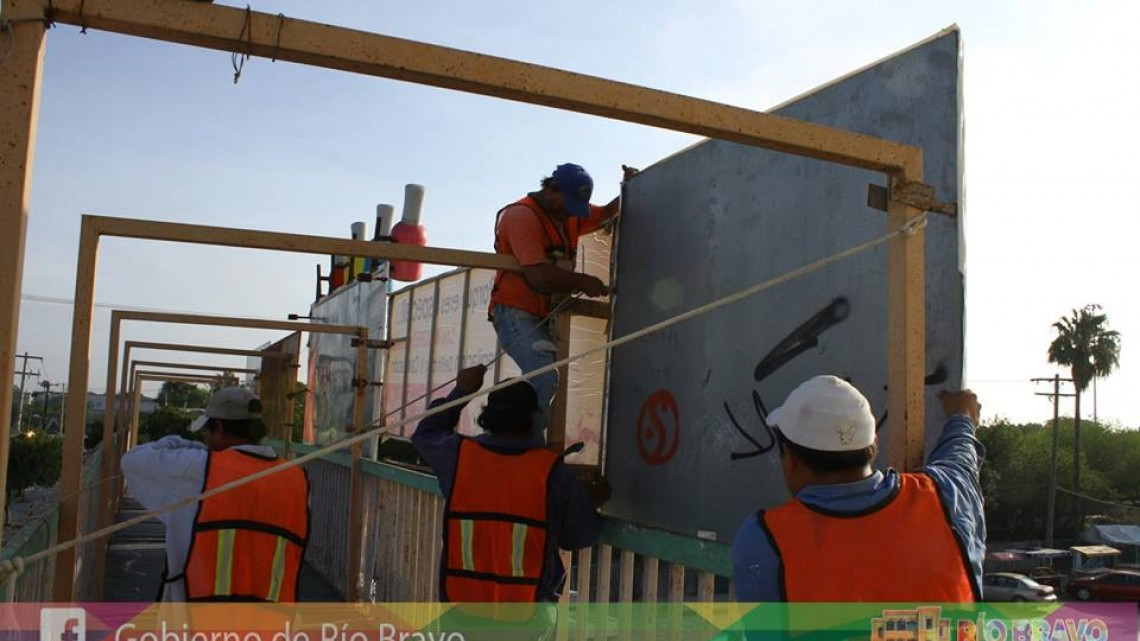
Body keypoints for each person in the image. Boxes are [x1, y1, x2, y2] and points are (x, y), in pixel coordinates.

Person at [732, 376, 985, 602]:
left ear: (791, 460)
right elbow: (960, 456)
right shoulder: (946, 496)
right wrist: (962, 415)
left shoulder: (764, 538)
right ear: (873, 444)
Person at [411, 364, 606, 610]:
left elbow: (425, 434)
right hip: (529, 615)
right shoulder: (550, 471)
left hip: (463, 606)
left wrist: (461, 391)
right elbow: (581, 535)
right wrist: (586, 502)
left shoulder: (458, 456)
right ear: (534, 420)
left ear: (487, 417)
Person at [489, 163, 637, 445]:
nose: (572, 213)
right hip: (514, 313)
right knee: (545, 379)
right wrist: (584, 282)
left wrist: (630, 188)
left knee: (543, 381)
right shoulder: (522, 216)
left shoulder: (568, 213)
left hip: (539, 314)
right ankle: (524, 454)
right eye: (568, 205)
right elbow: (539, 274)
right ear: (551, 190)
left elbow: (605, 213)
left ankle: (523, 447)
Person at [121, 386, 310, 602]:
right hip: (271, 615)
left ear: (218, 428)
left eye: (207, 432)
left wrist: (179, 442)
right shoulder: (295, 478)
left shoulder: (201, 468)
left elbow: (132, 460)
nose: (207, 440)